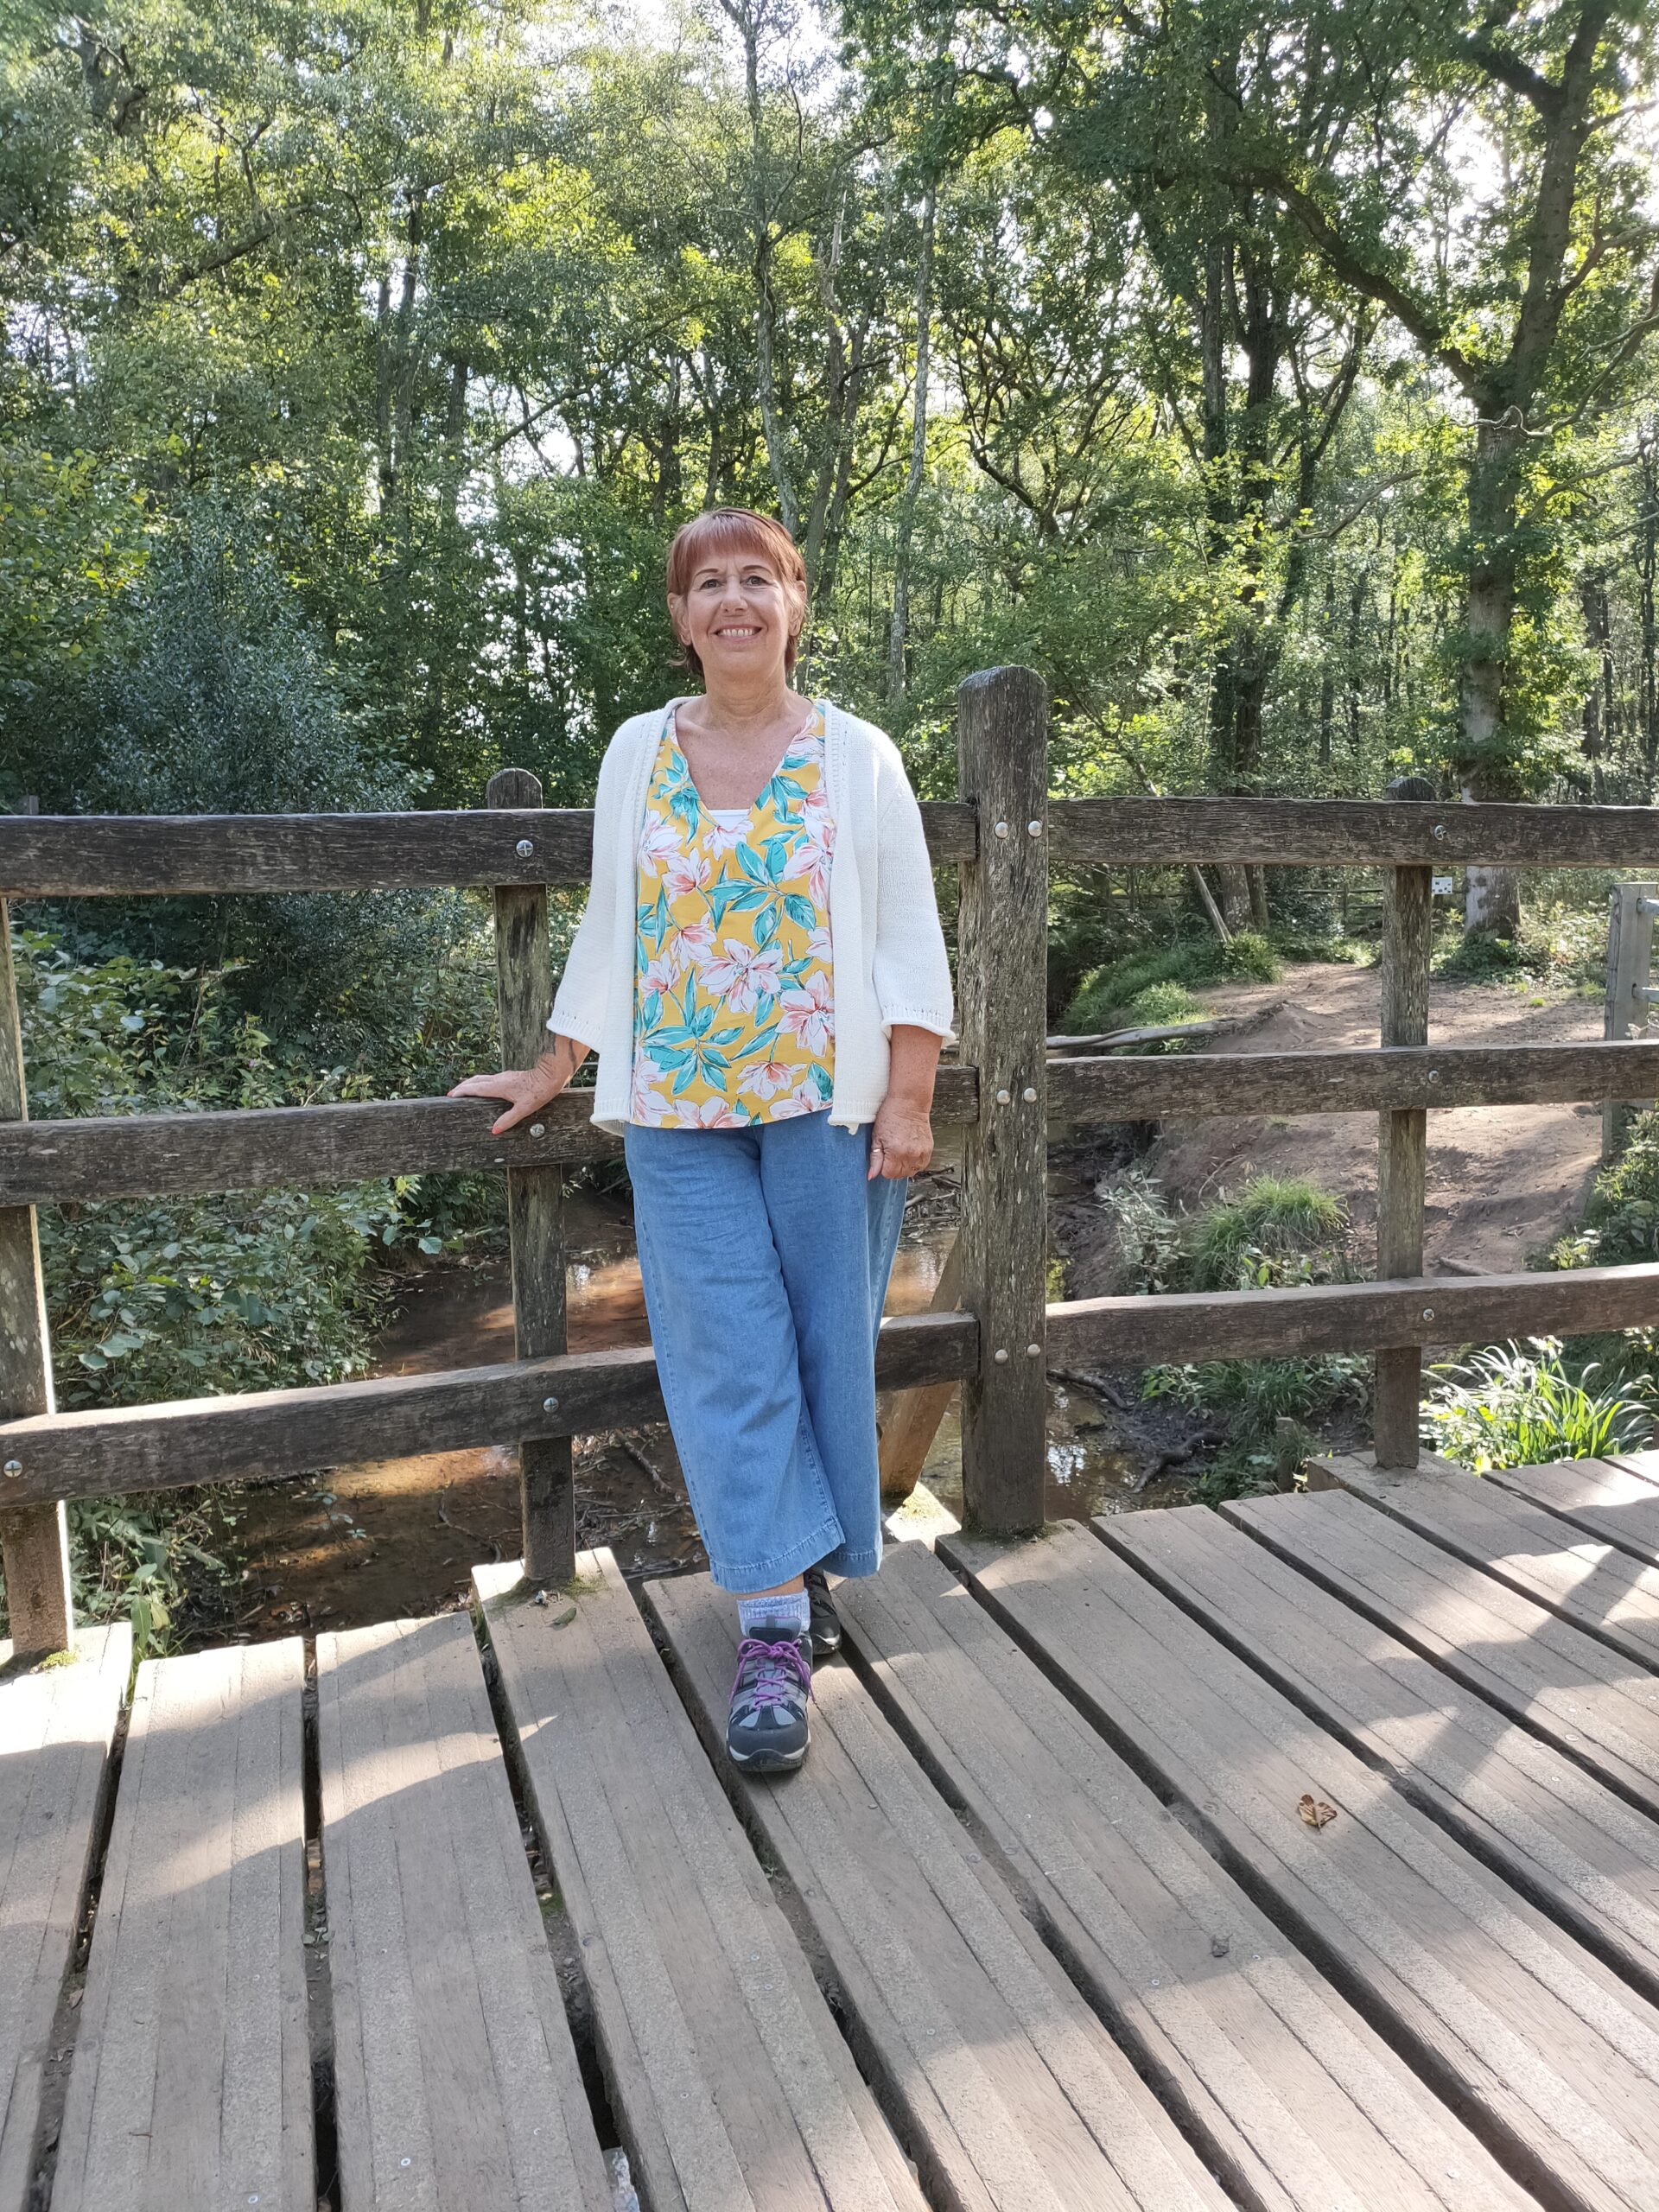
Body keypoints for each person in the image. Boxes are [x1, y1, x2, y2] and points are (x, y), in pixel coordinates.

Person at [450, 508, 954, 1773]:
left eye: (758, 580)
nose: (734, 601)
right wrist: (555, 1061)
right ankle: (774, 1627)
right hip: (678, 1108)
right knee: (726, 1354)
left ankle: (807, 1559)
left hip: (825, 1104)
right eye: (707, 584)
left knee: (830, 1341)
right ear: (680, 620)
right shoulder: (638, 750)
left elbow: (907, 931)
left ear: (795, 605)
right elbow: (612, 928)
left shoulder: (858, 755)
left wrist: (910, 1093)